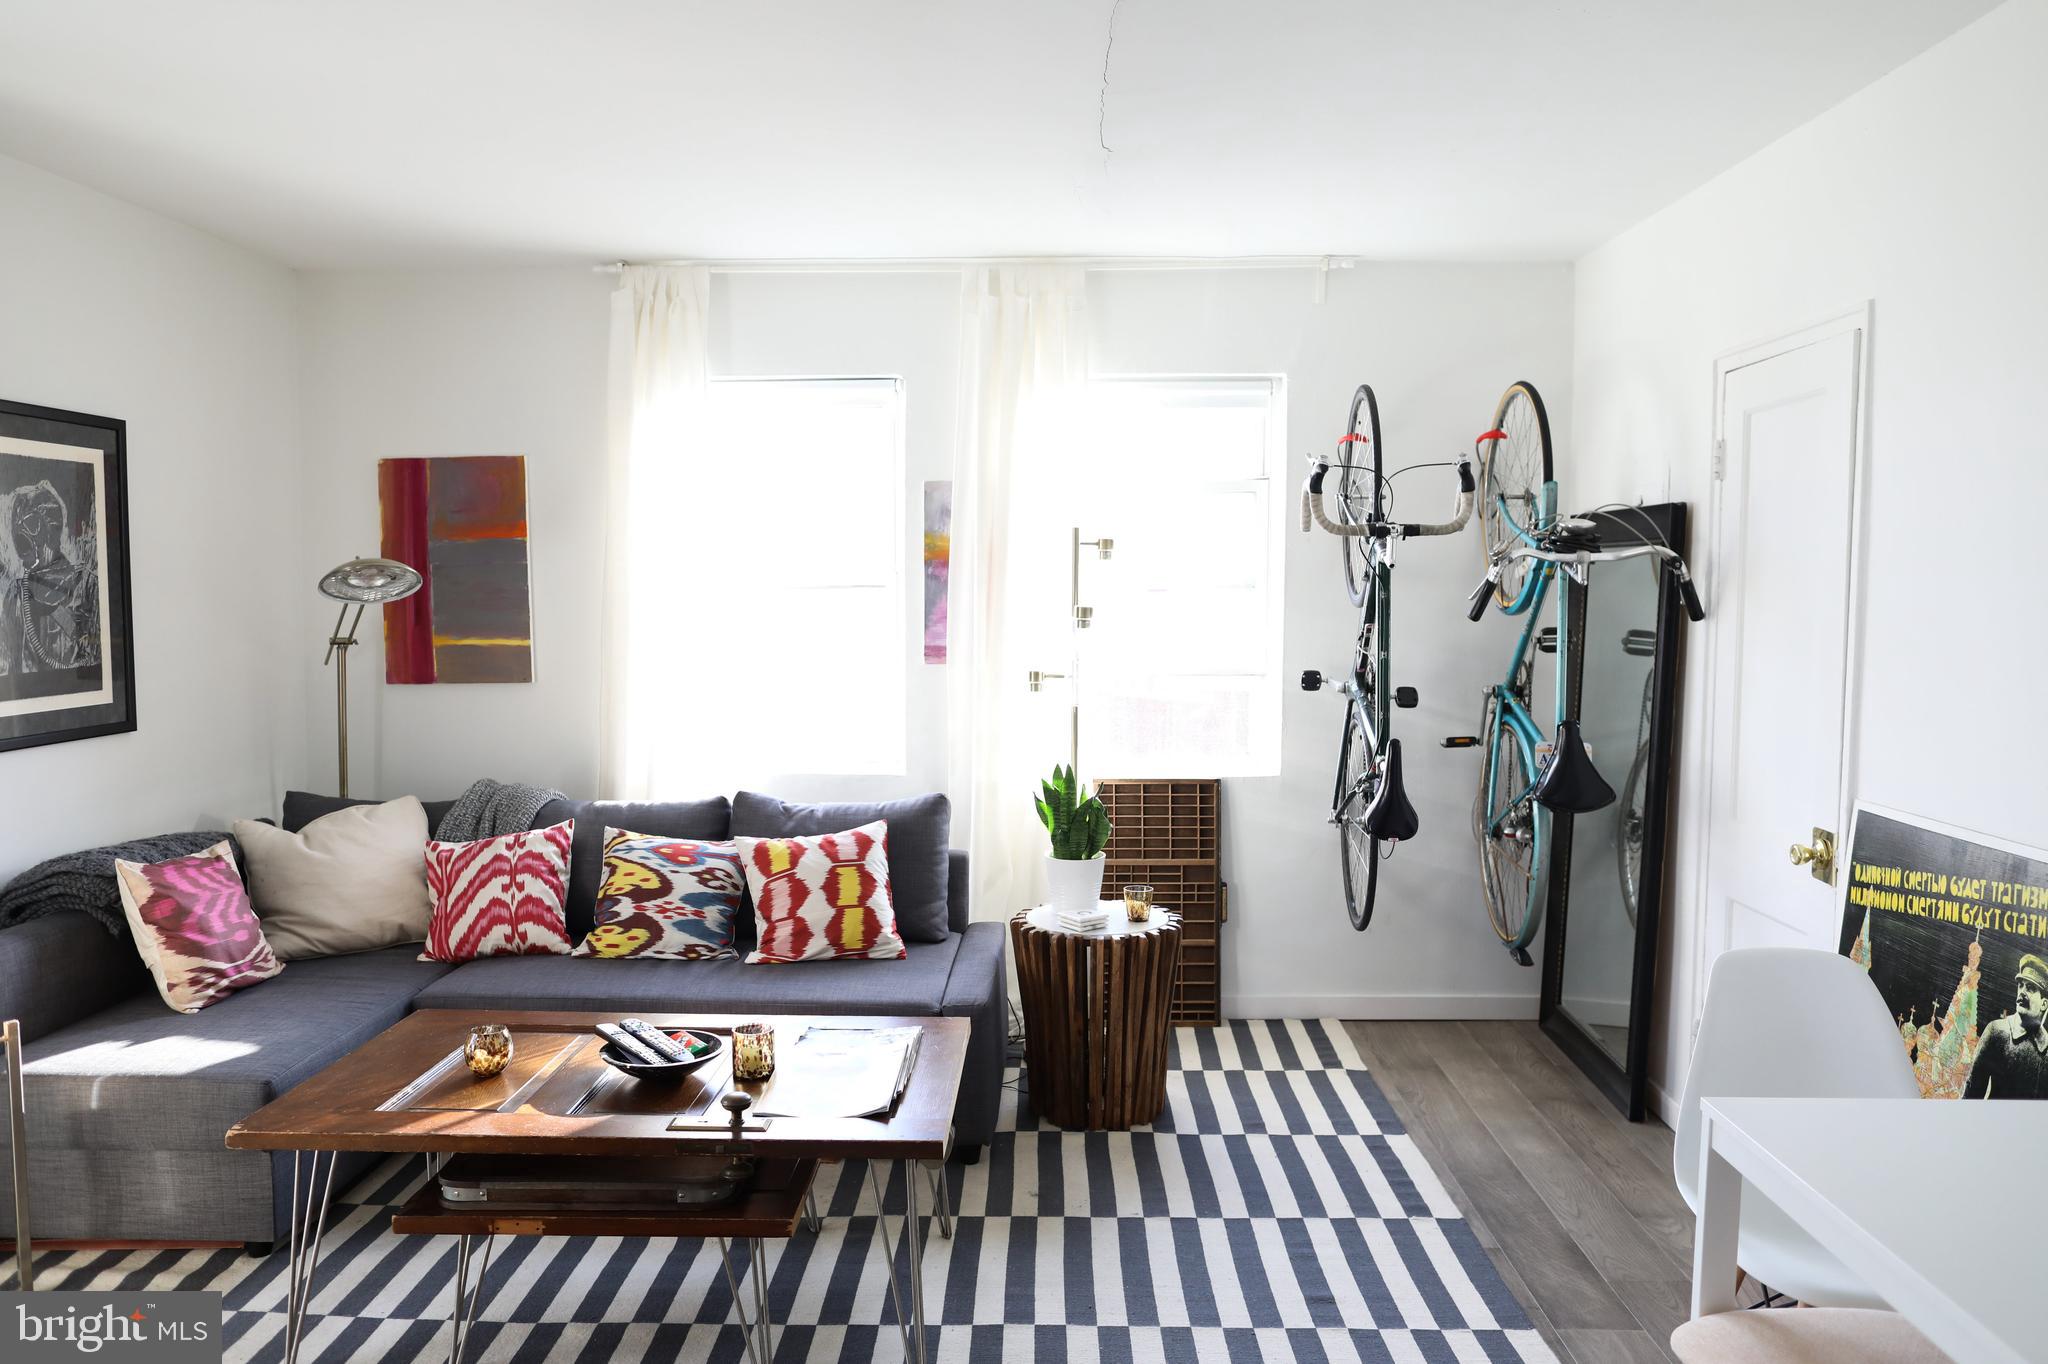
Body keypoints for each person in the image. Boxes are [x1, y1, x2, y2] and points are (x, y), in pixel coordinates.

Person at [1964, 954, 2048, 1100]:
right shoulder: (1996, 1031)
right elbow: (1971, 1095)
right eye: (2020, 985)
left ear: (2044, 1004)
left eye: (2030, 988)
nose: (2022, 992)